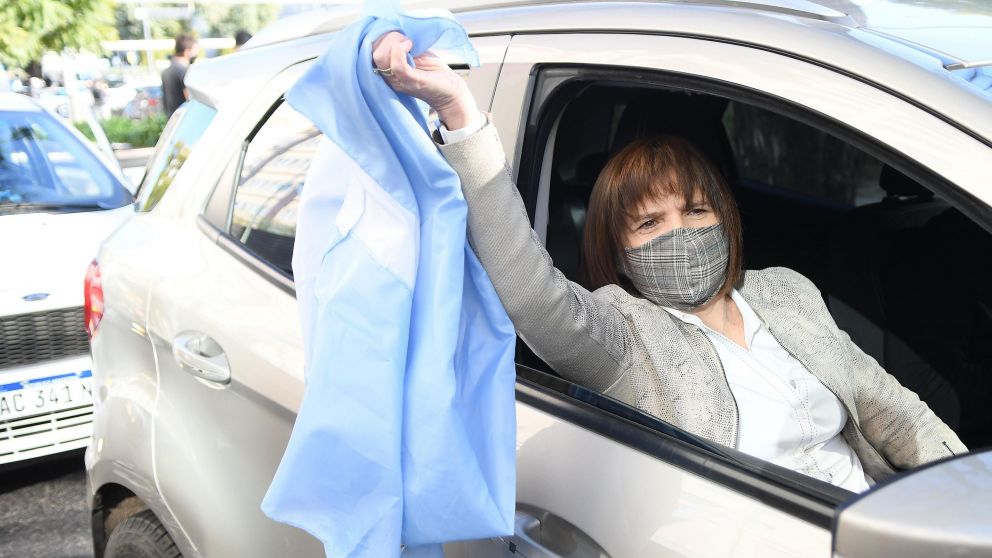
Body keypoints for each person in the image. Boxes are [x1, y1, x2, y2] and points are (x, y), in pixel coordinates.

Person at [369, 32, 967, 492]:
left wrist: (964, 494)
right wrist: (460, 117)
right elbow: (529, 293)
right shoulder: (625, 334)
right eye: (650, 224)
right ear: (622, 254)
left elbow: (890, 407)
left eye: (696, 210)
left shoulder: (787, 291)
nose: (679, 234)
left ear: (725, 218)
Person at [161, 34, 198, 118]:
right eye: (195, 52)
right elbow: (190, 99)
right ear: (187, 52)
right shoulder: (184, 71)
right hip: (184, 120)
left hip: (172, 120)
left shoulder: (166, 72)